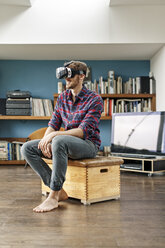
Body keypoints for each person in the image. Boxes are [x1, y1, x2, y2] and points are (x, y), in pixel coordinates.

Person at [21, 61, 103, 213]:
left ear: (81, 77)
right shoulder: (63, 98)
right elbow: (53, 124)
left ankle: (53, 197)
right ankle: (60, 190)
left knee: (58, 140)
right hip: (65, 142)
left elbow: (82, 131)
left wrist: (54, 135)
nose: (67, 80)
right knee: (27, 148)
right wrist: (45, 141)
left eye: (70, 76)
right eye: (65, 77)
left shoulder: (94, 99)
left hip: (88, 144)